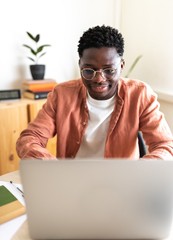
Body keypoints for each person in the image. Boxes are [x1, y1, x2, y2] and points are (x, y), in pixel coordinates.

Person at [16, 25, 173, 159]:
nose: (99, 79)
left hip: (120, 183)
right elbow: (30, 138)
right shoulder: (62, 94)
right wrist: (49, 166)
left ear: (122, 65)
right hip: (72, 181)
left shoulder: (140, 95)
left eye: (109, 70)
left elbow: (165, 145)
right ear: (80, 65)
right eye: (89, 70)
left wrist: (139, 171)